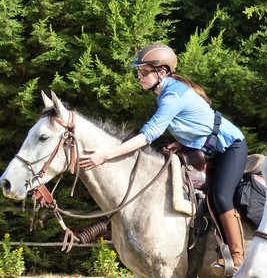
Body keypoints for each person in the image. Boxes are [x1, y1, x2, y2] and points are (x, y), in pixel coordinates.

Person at [78, 43, 248, 275]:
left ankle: (238, 259)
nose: (139, 76)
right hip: (207, 148)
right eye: (138, 72)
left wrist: (105, 155)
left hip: (231, 148)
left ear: (163, 72)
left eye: (144, 71)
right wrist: (183, 144)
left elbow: (147, 136)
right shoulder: (167, 93)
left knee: (220, 196)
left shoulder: (172, 96)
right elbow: (197, 126)